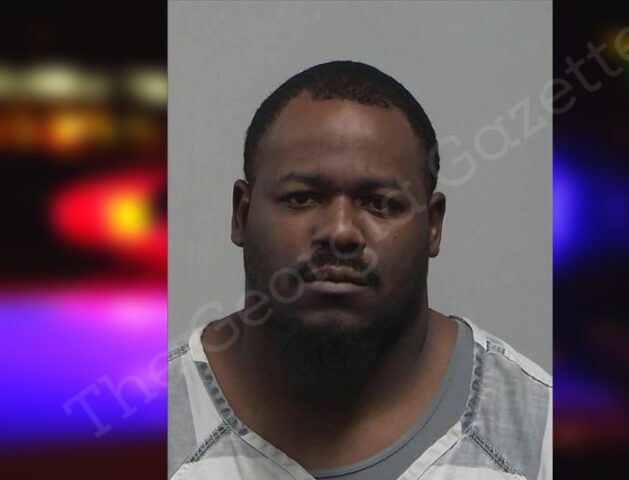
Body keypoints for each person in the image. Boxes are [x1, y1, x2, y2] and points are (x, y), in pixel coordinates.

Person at [168, 60, 551, 480]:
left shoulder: (540, 434)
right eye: (302, 198)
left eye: (380, 203)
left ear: (433, 226)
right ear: (241, 215)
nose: (340, 231)